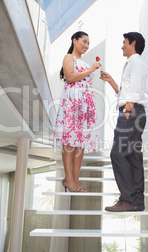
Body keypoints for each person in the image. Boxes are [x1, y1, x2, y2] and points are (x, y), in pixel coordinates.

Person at [101, 32, 148, 211]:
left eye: (124, 43)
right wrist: (112, 81)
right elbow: (126, 91)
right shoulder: (133, 63)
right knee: (133, 157)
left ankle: (127, 199)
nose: (122, 46)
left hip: (131, 111)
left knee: (118, 153)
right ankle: (137, 202)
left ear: (133, 43)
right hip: (135, 110)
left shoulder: (135, 62)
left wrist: (128, 109)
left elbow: (134, 88)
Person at [53, 31, 101, 192]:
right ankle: (68, 178)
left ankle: (75, 179)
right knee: (69, 141)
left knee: (80, 143)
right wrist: (91, 70)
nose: (86, 46)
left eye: (88, 43)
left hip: (85, 105)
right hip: (72, 103)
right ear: (74, 40)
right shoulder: (69, 58)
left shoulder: (85, 63)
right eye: (84, 41)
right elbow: (71, 77)